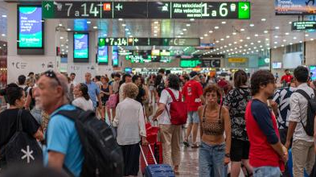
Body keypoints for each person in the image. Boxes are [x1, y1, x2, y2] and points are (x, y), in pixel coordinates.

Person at [35, 70, 84, 177]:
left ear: (58, 91)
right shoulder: (74, 112)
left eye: (42, 87)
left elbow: (53, 171)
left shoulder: (59, 121)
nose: (35, 93)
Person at [245, 70, 288, 177]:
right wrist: (282, 153)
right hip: (266, 162)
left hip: (263, 161)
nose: (275, 86)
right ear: (262, 85)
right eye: (272, 83)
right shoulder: (259, 107)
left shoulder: (254, 105)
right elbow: (271, 137)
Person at [0, 83, 43, 168]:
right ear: (17, 101)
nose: (25, 99)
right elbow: (38, 135)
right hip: (22, 160)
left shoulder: (1, 115)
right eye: (23, 97)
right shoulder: (24, 114)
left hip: (6, 160)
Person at [285, 66, 315, 176]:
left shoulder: (295, 95)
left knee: (298, 169)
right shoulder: (312, 91)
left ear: (294, 78)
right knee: (311, 169)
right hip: (313, 136)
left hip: (300, 138)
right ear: (308, 77)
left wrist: (288, 140)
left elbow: (294, 119)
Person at [113, 83, 147, 177]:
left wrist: (113, 124)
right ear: (135, 92)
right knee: (133, 162)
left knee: (123, 161)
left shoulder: (120, 105)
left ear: (124, 92)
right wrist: (143, 136)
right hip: (134, 137)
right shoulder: (138, 105)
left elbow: (116, 121)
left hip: (122, 137)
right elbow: (141, 121)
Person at [223, 70, 253, 177]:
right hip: (250, 130)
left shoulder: (232, 93)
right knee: (246, 158)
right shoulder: (253, 92)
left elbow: (225, 110)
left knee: (235, 159)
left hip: (235, 131)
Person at [198, 84, 231, 177]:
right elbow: (201, 128)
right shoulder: (201, 110)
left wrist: (227, 155)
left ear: (218, 97)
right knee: (204, 174)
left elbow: (228, 134)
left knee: (219, 174)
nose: (210, 98)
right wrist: (202, 143)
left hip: (220, 149)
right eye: (208, 95)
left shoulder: (224, 111)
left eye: (213, 95)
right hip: (204, 148)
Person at [152, 74, 182, 174]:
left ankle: (168, 169)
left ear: (169, 81)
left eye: (166, 80)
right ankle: (176, 167)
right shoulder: (179, 92)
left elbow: (161, 108)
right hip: (177, 122)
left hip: (166, 123)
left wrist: (154, 116)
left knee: (167, 146)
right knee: (176, 145)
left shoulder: (165, 91)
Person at [182, 71, 204, 148]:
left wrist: (186, 103)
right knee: (195, 123)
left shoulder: (186, 84)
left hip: (189, 106)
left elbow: (183, 95)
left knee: (190, 123)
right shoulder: (197, 84)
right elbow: (201, 96)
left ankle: (185, 138)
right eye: (198, 76)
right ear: (195, 76)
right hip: (196, 107)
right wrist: (205, 104)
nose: (199, 77)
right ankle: (194, 142)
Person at [272, 80, 296, 145]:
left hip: (282, 124)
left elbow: (273, 103)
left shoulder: (280, 91)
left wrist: (275, 113)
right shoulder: (300, 92)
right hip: (296, 126)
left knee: (283, 148)